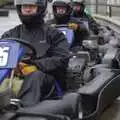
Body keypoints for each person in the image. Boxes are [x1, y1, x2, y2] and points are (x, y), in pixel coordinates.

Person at [1, 0, 69, 107]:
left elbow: (62, 59)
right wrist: (15, 67)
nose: (27, 10)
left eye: (31, 6)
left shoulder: (54, 34)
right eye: (24, 6)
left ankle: (25, 110)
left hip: (47, 81)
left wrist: (35, 66)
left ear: (40, 8)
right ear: (20, 8)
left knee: (35, 76)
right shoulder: (10, 34)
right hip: (15, 77)